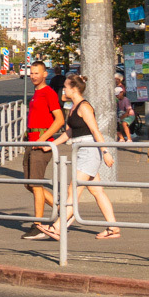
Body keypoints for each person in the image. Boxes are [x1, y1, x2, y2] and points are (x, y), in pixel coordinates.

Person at [39, 75, 121, 240]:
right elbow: (69, 132)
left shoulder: (84, 107)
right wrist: (52, 145)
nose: (64, 89)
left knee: (73, 191)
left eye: (66, 87)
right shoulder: (73, 106)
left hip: (90, 151)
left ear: (74, 89)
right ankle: (113, 228)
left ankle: (57, 228)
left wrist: (105, 152)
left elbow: (95, 130)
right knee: (97, 191)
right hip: (81, 150)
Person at [21, 61, 66, 240]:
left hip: (41, 145)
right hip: (31, 143)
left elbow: (60, 120)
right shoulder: (36, 93)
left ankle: (38, 225)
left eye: (37, 73)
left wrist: (42, 139)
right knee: (29, 184)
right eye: (31, 73)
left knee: (36, 185)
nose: (33, 76)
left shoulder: (48, 93)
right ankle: (63, 210)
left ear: (45, 74)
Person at [114, 73, 134, 143]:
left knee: (124, 123)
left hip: (128, 115)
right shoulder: (117, 100)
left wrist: (121, 118)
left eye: (118, 94)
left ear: (122, 92)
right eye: (116, 95)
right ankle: (121, 138)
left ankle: (129, 139)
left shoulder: (126, 100)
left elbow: (128, 111)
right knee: (116, 125)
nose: (117, 96)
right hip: (121, 114)